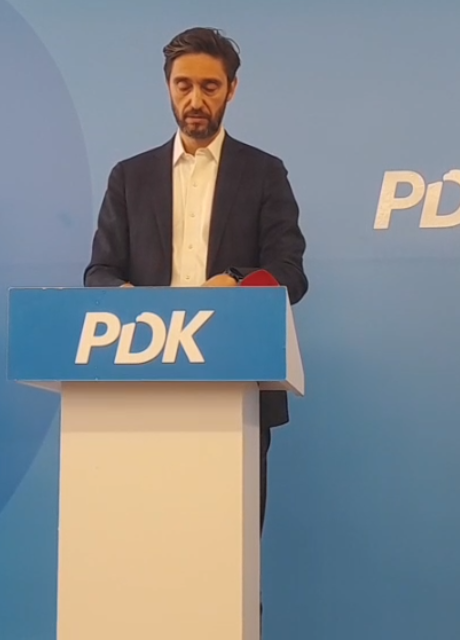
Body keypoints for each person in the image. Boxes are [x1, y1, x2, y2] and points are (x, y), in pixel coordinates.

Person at [83, 24, 309, 618]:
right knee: (149, 558)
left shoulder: (264, 173)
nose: (195, 99)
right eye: (184, 85)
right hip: (143, 389)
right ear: (167, 88)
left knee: (229, 566)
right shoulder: (129, 176)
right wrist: (129, 301)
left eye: (209, 86)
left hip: (236, 392)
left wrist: (235, 281)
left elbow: (290, 273)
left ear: (232, 90)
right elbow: (98, 273)